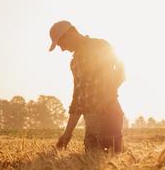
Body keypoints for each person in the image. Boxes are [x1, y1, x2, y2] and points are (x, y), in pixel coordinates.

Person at [49, 21, 125, 152]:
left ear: (70, 34)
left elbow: (121, 71)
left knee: (111, 160)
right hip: (90, 123)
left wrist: (108, 97)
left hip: (108, 114)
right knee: (91, 166)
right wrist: (68, 133)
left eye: (61, 44)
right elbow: (78, 99)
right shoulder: (74, 63)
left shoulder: (100, 46)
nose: (62, 49)